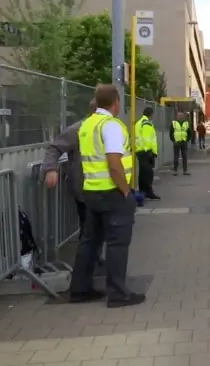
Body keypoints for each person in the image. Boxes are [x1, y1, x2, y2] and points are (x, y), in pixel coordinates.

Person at [69, 84, 145, 308]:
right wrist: (125, 190)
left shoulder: (87, 124)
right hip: (112, 193)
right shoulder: (110, 126)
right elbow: (114, 163)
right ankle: (118, 294)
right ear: (116, 102)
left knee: (89, 242)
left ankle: (79, 289)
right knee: (117, 244)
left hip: (91, 191)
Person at [42, 100, 101, 249]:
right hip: (84, 187)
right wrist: (50, 169)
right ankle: (88, 266)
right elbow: (55, 147)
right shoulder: (78, 129)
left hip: (101, 187)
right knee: (89, 228)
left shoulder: (105, 128)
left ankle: (94, 261)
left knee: (98, 228)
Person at [134, 107, 160, 200]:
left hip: (140, 151)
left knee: (143, 173)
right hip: (146, 152)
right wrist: (150, 152)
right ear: (151, 114)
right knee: (148, 174)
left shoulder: (139, 122)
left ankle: (143, 192)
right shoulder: (146, 123)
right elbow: (147, 138)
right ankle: (148, 192)